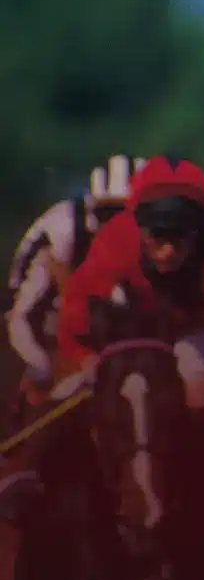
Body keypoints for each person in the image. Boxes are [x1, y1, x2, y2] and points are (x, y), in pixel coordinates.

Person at [51, 155, 204, 407]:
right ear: (141, 228)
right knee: (68, 393)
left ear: (197, 230)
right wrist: (84, 358)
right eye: (158, 237)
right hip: (130, 331)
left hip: (190, 333)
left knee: (191, 380)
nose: (167, 252)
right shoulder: (119, 236)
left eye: (179, 239)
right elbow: (77, 304)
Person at [6, 155, 144, 425]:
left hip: (89, 314)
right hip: (37, 312)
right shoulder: (64, 232)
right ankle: (21, 458)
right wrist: (42, 370)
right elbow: (24, 315)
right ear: (93, 211)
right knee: (46, 373)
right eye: (109, 215)